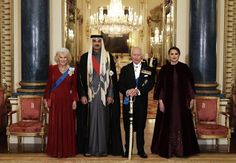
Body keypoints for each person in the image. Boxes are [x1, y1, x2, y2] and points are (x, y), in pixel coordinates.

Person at [76, 35, 123, 156]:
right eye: (94, 41)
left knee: (103, 122)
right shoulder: (85, 57)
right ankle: (90, 149)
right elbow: (79, 79)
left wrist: (111, 94)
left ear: (102, 43)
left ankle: (103, 149)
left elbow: (112, 78)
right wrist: (82, 94)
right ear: (91, 42)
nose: (96, 43)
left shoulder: (108, 57)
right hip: (90, 96)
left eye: (98, 41)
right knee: (89, 123)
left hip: (104, 95)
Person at [151, 46, 199, 158]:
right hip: (167, 102)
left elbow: (189, 85)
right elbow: (160, 87)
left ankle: (181, 150)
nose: (174, 56)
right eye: (171, 54)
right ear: (169, 55)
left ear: (179, 55)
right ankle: (167, 149)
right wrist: (161, 101)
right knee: (168, 123)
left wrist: (191, 98)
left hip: (182, 102)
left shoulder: (184, 68)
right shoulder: (164, 69)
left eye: (176, 54)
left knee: (181, 123)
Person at [119, 47, 155, 158]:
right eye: (134, 55)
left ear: (142, 56)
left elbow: (150, 84)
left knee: (140, 126)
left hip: (141, 102)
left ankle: (141, 150)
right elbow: (120, 85)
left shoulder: (148, 69)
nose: (136, 57)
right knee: (127, 126)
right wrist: (127, 91)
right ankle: (128, 149)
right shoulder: (125, 69)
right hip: (127, 101)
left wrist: (138, 91)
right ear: (131, 55)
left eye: (138, 55)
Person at [44, 48, 78, 158]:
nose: (63, 59)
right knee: (55, 124)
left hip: (67, 100)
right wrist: (47, 99)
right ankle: (55, 150)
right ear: (57, 58)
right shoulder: (52, 69)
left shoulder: (72, 69)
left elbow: (74, 87)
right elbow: (49, 85)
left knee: (67, 124)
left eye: (65, 57)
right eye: (61, 57)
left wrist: (74, 100)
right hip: (55, 101)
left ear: (68, 58)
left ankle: (67, 150)